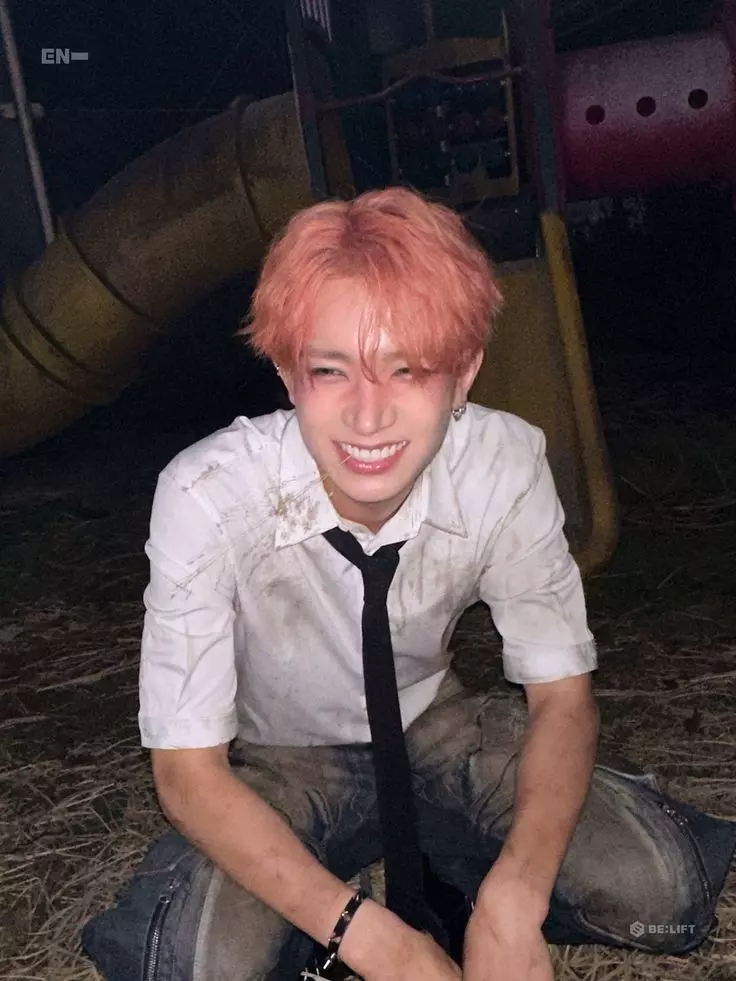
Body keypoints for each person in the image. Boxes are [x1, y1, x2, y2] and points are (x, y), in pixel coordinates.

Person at [82, 187, 735, 981]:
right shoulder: (207, 494)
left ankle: (463, 872)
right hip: (283, 760)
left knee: (666, 895)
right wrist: (371, 939)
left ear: (463, 374)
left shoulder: (504, 465)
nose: (368, 417)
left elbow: (563, 698)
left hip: (436, 722)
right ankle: (323, 906)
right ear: (288, 373)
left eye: (409, 368)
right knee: (197, 966)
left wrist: (517, 897)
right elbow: (187, 774)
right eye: (331, 370)